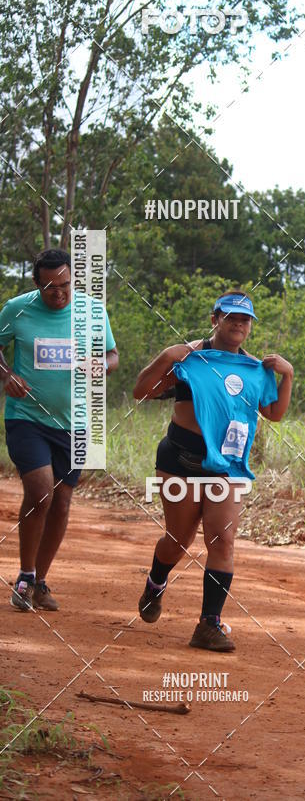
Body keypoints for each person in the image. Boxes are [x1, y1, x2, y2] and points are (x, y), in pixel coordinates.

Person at [133, 289, 293, 652]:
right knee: (178, 540)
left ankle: (208, 624)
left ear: (250, 326)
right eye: (231, 316)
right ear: (215, 318)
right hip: (181, 462)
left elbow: (275, 414)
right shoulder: (191, 358)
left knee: (222, 540)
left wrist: (289, 376)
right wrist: (167, 356)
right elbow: (141, 391)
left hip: (227, 467)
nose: (238, 323)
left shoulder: (255, 369)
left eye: (245, 319)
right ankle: (156, 582)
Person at [0, 249, 119, 611]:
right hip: (26, 417)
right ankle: (23, 575)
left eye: (66, 285)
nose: (59, 293)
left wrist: (100, 365)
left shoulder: (92, 312)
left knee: (62, 503)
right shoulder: (16, 309)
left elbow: (113, 356)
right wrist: (6, 375)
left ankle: (39, 581)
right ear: (37, 284)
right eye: (51, 287)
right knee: (40, 493)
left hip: (75, 423)